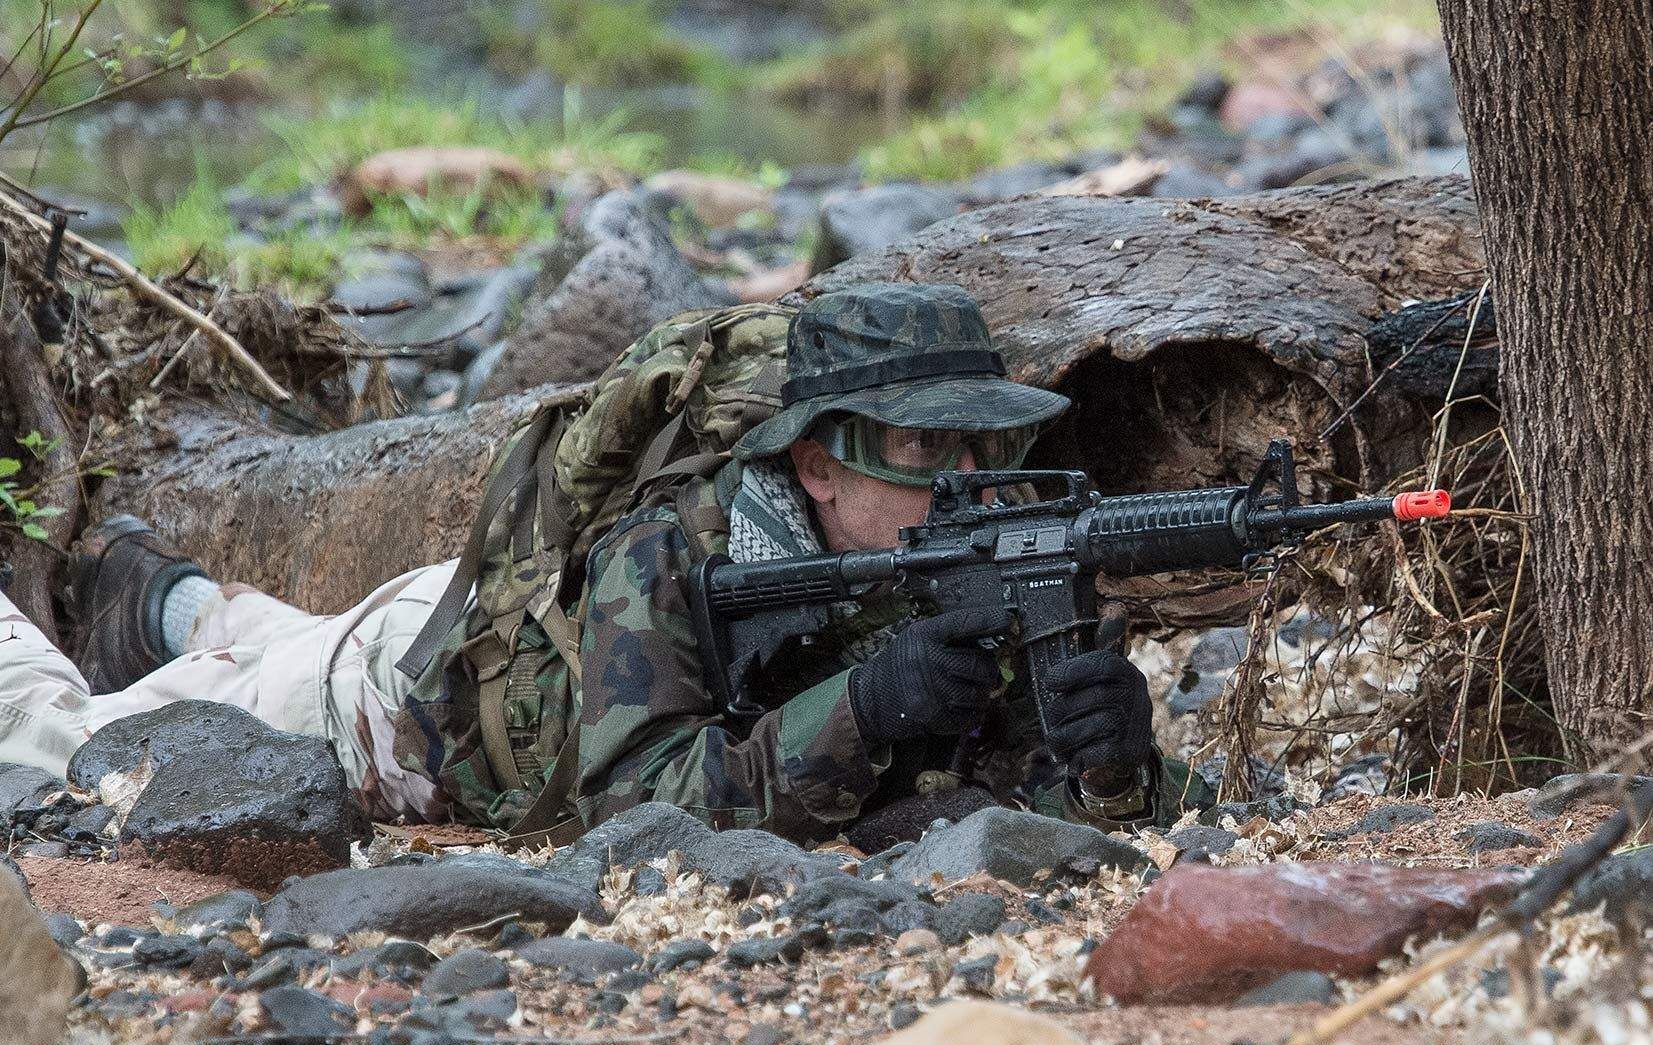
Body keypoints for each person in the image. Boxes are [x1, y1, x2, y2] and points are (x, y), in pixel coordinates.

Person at [0, 282, 1205, 837]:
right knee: (68, 750)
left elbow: (1019, 797)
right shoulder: (666, 549)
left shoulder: (970, 553)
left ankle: (162, 598)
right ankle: (125, 619)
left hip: (506, 638)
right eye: (921, 444)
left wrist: (1114, 762)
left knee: (249, 635)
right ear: (817, 466)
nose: (967, 478)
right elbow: (630, 806)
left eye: (984, 441)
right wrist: (869, 705)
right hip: (406, 701)